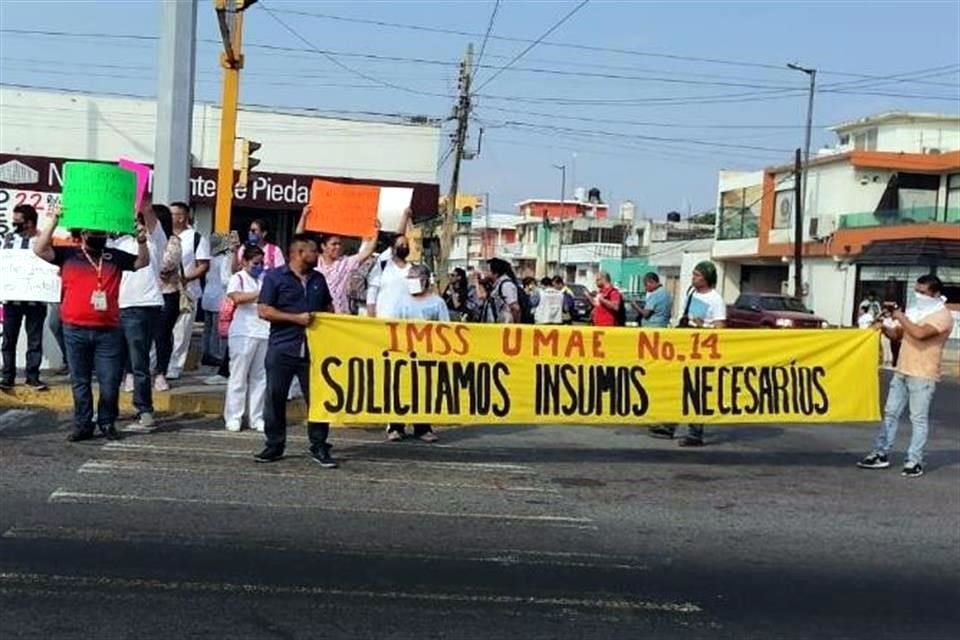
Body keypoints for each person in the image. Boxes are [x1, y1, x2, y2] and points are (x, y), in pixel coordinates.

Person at [33, 211, 149, 442]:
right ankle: (83, 424)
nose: (100, 236)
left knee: (109, 382)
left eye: (103, 233)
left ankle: (107, 422)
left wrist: (142, 241)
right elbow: (39, 249)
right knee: (80, 381)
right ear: (84, 233)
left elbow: (142, 262)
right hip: (74, 329)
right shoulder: (68, 254)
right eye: (95, 233)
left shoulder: (114, 256)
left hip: (108, 331)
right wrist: (55, 219)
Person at [857, 275, 954, 478]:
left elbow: (919, 333)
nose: (918, 295)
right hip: (902, 369)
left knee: (917, 419)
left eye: (923, 292)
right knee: (891, 413)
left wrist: (900, 316)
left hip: (923, 373)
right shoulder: (914, 311)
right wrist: (884, 326)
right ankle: (881, 453)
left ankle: (914, 460)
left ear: (935, 294)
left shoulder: (942, 316)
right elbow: (899, 335)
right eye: (916, 291)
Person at [254, 234, 337, 468]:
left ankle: (319, 445)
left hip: (314, 351)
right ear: (299, 253)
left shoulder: (319, 279)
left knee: (318, 400)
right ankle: (275, 444)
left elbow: (329, 308)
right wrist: (295, 319)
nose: (317, 255)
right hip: (283, 348)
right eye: (312, 251)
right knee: (275, 397)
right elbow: (264, 311)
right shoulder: (275, 277)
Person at [648, 261, 726, 447]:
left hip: (702, 353)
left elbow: (720, 329)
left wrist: (703, 326)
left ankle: (695, 433)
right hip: (685, 348)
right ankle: (669, 425)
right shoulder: (691, 293)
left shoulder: (716, 300)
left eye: (697, 275)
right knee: (678, 388)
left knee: (696, 392)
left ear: (707, 278)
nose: (693, 278)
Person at [113, 202, 167, 427]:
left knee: (139, 362)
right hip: (117, 306)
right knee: (112, 363)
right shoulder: (117, 243)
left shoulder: (155, 239)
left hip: (144, 306)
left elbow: (149, 212)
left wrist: (138, 196)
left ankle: (144, 408)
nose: (134, 223)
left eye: (137, 219)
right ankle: (108, 408)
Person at [390, 264, 447, 442]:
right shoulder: (402, 301)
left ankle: (422, 428)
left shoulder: (437, 302)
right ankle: (395, 427)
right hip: (404, 355)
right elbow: (394, 327)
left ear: (424, 280)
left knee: (423, 392)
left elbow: (446, 329)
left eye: (414, 278)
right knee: (401, 391)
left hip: (427, 356)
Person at [296, 204, 380, 314]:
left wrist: (376, 231)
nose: (338, 247)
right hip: (317, 315)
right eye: (334, 244)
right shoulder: (315, 261)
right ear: (323, 246)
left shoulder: (345, 262)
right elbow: (298, 242)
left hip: (340, 316)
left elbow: (368, 250)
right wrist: (304, 216)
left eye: (339, 244)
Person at [1, 204, 49, 391]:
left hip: (36, 299)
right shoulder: (9, 239)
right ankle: (7, 377)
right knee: (8, 340)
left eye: (18, 221)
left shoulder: (42, 240)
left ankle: (32, 377)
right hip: (12, 299)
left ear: (29, 223)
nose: (14, 224)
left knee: (35, 340)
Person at [223, 245, 270, 432]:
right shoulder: (238, 278)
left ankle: (256, 417)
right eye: (255, 263)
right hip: (243, 331)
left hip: (264, 331)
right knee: (238, 376)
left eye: (261, 263)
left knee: (261, 377)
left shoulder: (265, 279)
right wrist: (261, 294)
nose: (259, 266)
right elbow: (236, 298)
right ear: (244, 262)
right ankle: (234, 416)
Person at [167, 201, 210, 380]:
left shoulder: (196, 238)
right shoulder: (164, 235)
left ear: (182, 217)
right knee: (161, 330)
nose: (170, 217)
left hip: (188, 291)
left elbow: (203, 265)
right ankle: (155, 363)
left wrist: (186, 278)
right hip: (165, 290)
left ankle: (174, 366)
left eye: (173, 214)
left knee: (181, 331)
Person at [154, 205, 183, 392]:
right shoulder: (139, 239)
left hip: (167, 295)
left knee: (162, 337)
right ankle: (131, 372)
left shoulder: (173, 241)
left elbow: (165, 264)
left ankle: (160, 373)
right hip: (144, 295)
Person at [200, 232, 232, 378]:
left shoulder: (208, 259)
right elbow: (225, 280)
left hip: (207, 295)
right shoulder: (224, 259)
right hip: (219, 296)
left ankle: (205, 352)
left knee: (207, 329)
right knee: (217, 329)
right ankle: (216, 354)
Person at [366, 230, 413, 320]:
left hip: (406, 322)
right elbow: (372, 293)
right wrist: (371, 318)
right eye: (401, 244)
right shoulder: (382, 266)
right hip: (383, 319)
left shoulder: (413, 269)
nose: (405, 246)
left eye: (406, 244)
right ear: (393, 249)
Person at [479, 258, 521, 323]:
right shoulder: (496, 285)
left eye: (487, 270)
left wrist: (515, 326)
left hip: (503, 328)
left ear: (495, 273)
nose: (484, 273)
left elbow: (515, 308)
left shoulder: (506, 285)